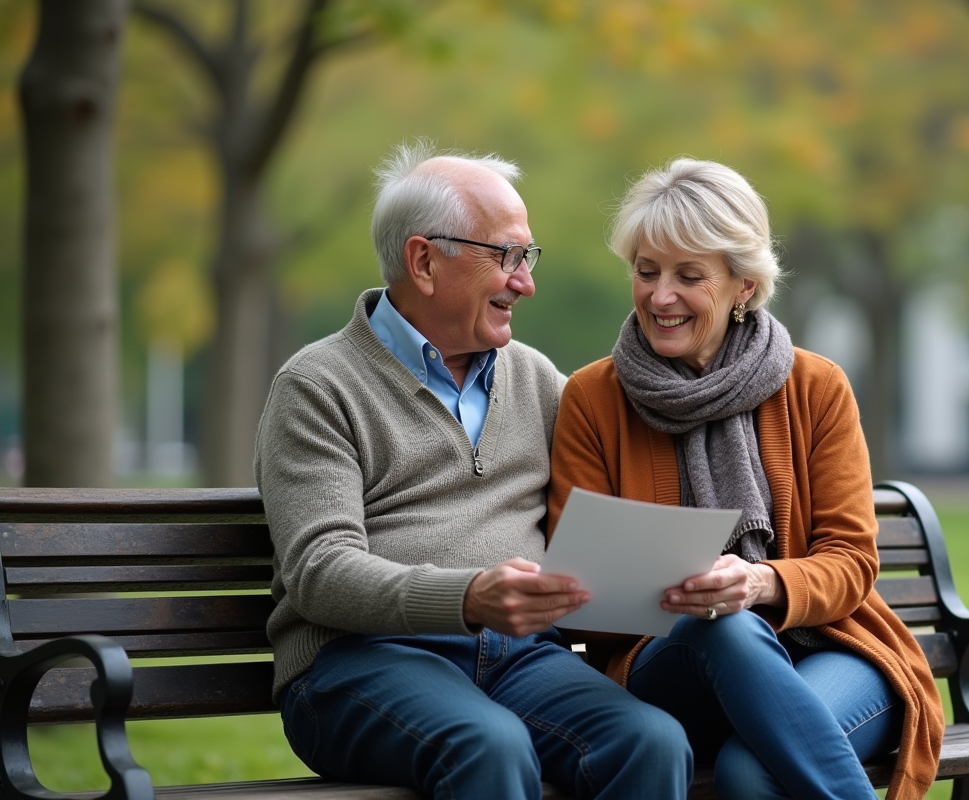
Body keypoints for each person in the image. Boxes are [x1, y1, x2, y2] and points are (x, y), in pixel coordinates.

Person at [254, 141, 692, 800]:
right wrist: (466, 598)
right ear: (424, 261)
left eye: (528, 257)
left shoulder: (537, 379)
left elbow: (605, 499)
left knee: (652, 742)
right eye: (507, 257)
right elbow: (320, 572)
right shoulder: (318, 386)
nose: (526, 282)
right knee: (488, 745)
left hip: (521, 659)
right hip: (358, 664)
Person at [547, 158, 944, 800]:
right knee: (721, 625)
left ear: (745, 287)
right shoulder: (592, 399)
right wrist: (691, 595)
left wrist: (759, 582)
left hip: (831, 648)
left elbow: (850, 562)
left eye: (689, 276)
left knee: (749, 772)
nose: (660, 295)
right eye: (646, 272)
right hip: (668, 665)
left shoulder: (817, 387)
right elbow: (579, 595)